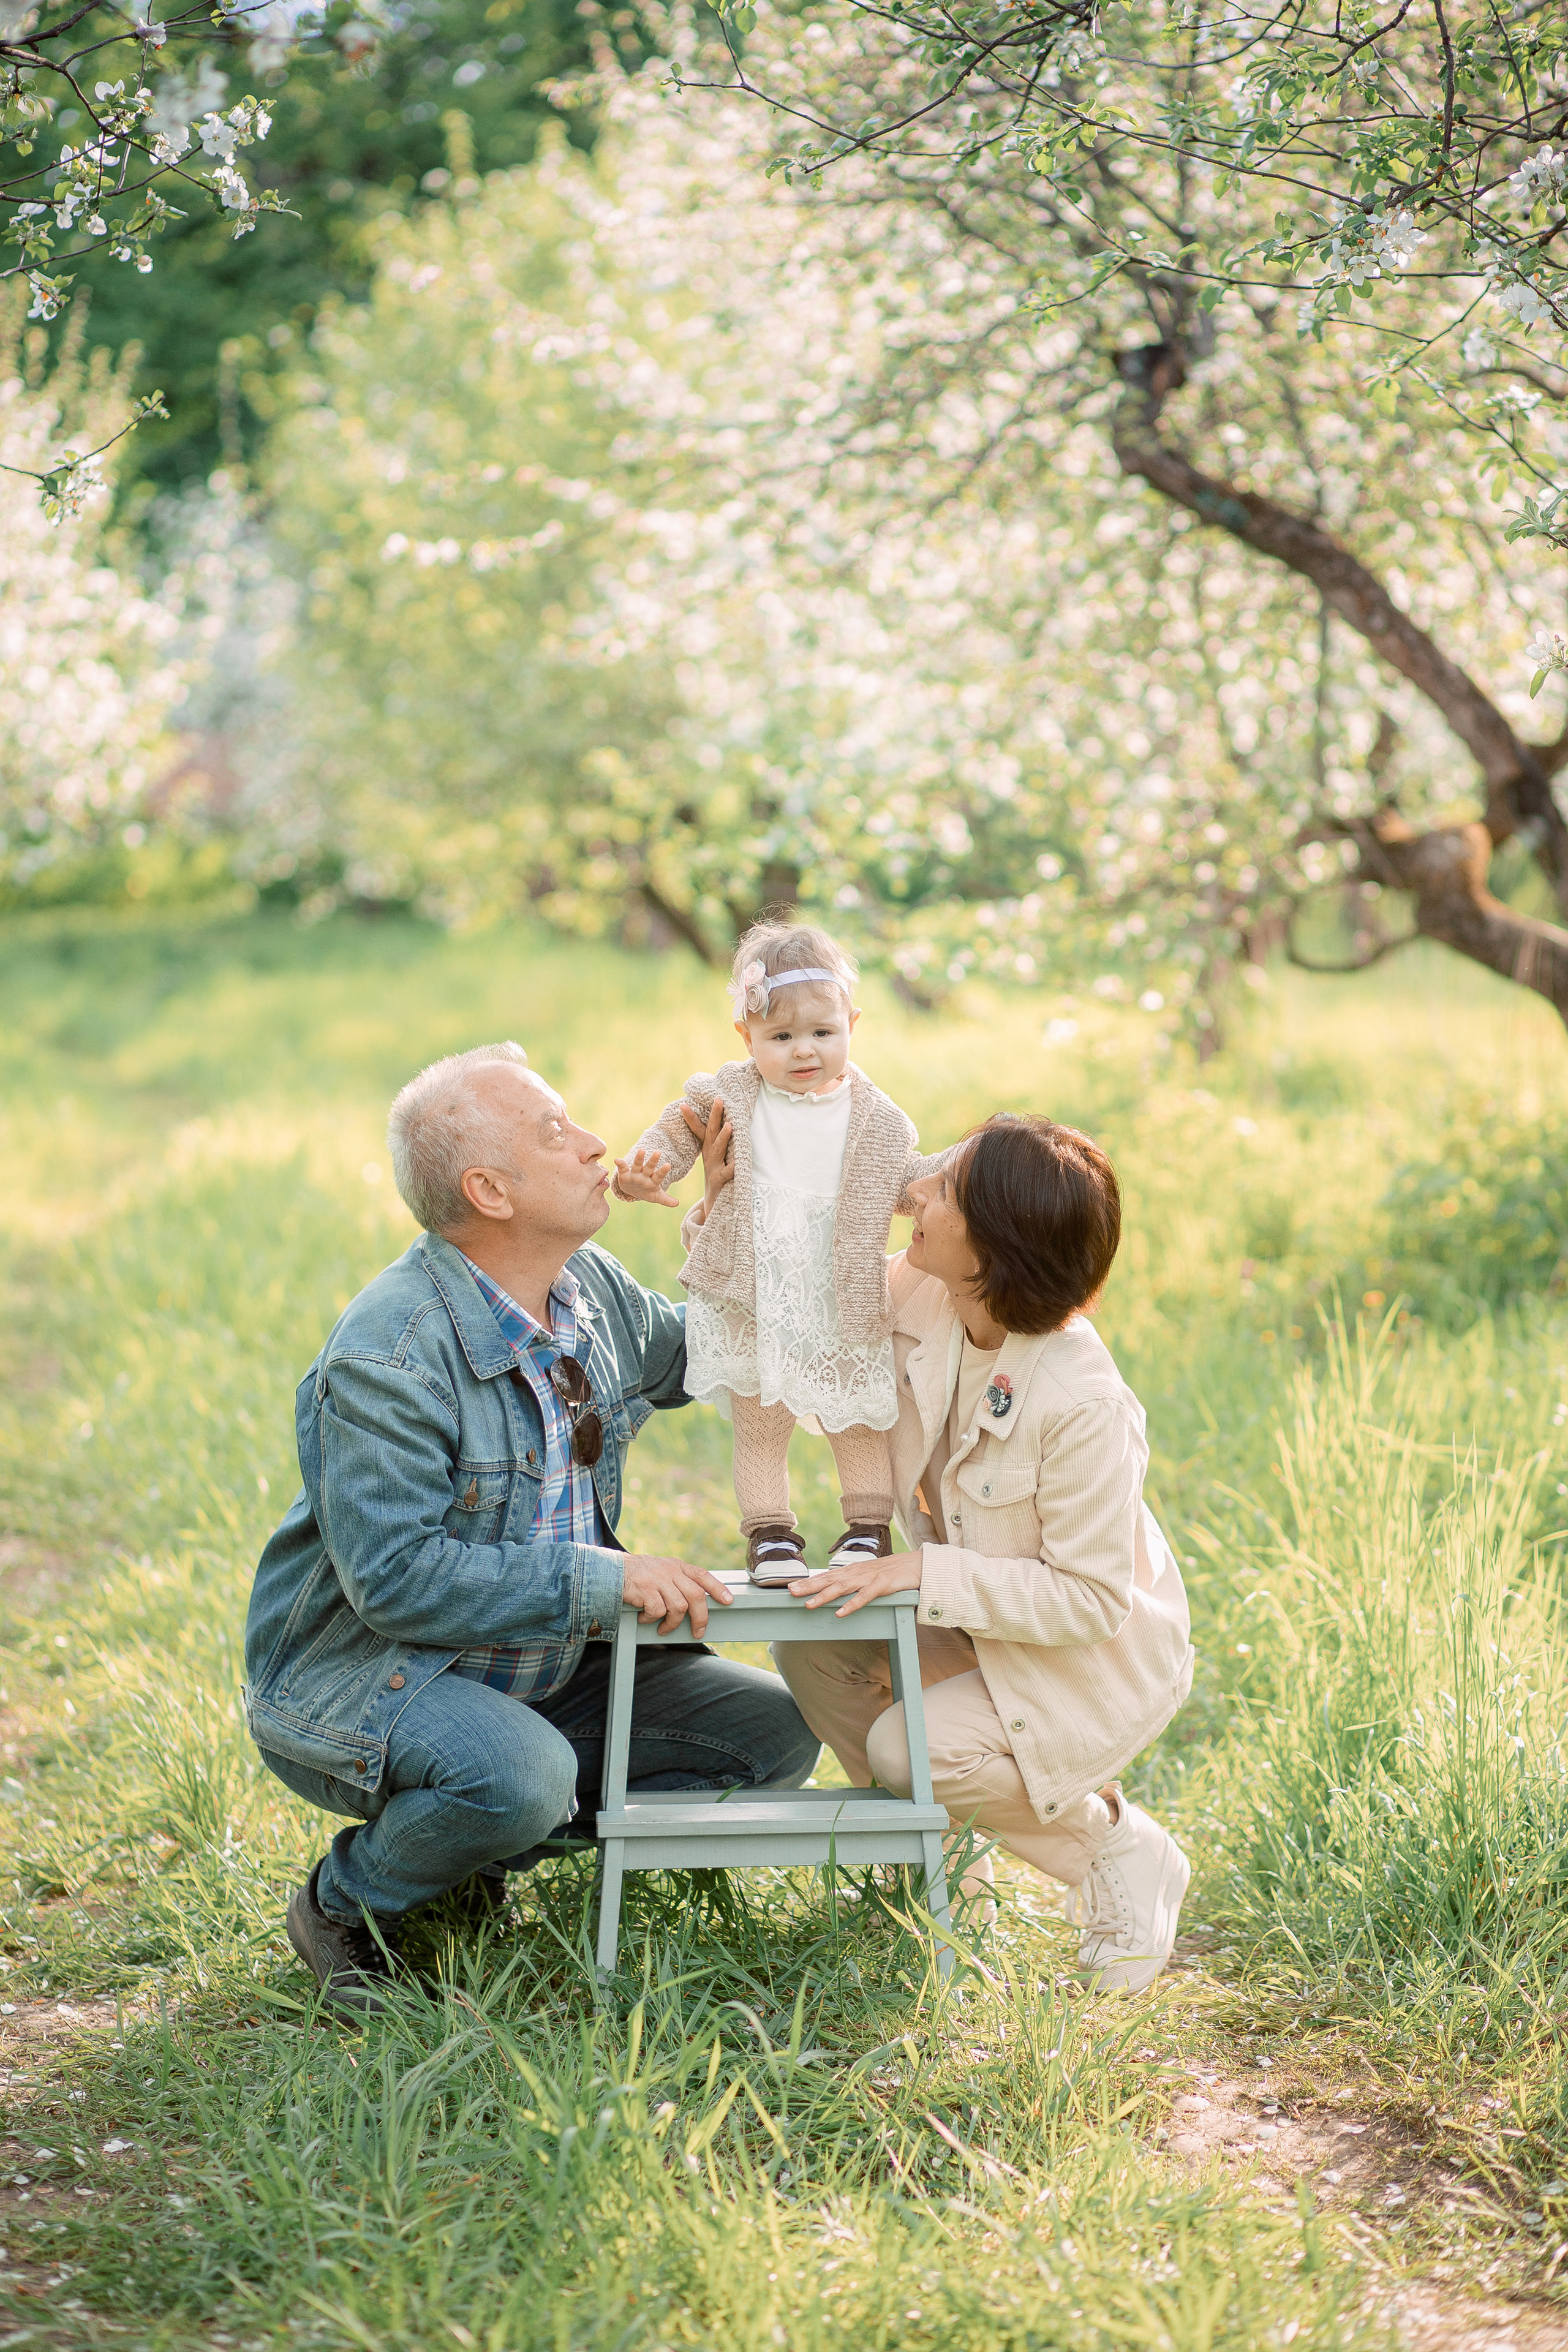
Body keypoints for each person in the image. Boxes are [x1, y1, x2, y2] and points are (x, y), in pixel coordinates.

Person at [243, 1041, 818, 2017]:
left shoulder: (586, 1289)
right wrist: (604, 1581)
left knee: (774, 1734)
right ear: (490, 1191)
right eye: (558, 1132)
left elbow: (716, 1353)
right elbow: (396, 1581)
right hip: (369, 1675)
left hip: (536, 1668)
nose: (598, 1145)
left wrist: (731, 1215)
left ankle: (471, 1850)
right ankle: (347, 1902)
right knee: (522, 1774)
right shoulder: (390, 1356)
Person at [769, 1114, 1196, 1991]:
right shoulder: (930, 1291)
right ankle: (935, 1870)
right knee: (812, 1639)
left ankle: (1118, 1849)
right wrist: (753, 1167)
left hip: (1083, 1655)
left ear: (996, 1247)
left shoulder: (1082, 1399)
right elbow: (834, 1231)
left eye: (948, 1193)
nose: (918, 1197)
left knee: (907, 1750)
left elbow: (1088, 1600)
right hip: (981, 1621)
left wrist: (924, 1572)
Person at [612, 922, 942, 1584]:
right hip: (753, 1284)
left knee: (856, 1414)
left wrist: (973, 1169)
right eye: (781, 1037)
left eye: (823, 1034)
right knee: (760, 1417)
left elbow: (906, 1180)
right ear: (747, 1037)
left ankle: (867, 1527)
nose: (804, 1052)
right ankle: (768, 1532)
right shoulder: (734, 1094)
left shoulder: (874, 1117)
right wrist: (645, 1169)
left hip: (837, 1285)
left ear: (851, 1023)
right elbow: (678, 1129)